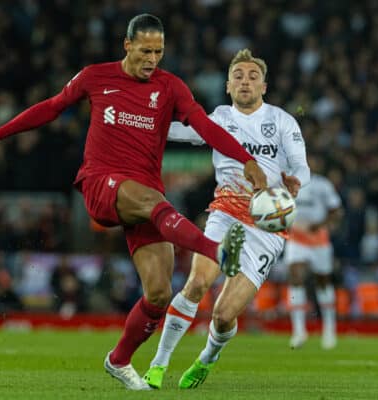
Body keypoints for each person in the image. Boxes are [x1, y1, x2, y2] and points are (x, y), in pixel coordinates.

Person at [0, 14, 268, 390]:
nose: (152, 59)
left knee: (158, 293)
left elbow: (206, 127)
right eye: (145, 51)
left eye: (158, 52)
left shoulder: (171, 87)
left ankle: (119, 360)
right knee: (151, 199)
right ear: (127, 45)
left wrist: (247, 160)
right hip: (101, 183)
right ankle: (216, 251)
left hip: (144, 197)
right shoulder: (96, 77)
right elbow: (51, 107)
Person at [143, 48, 310, 389]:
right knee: (196, 283)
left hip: (267, 225)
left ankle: (208, 357)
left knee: (223, 316)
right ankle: (158, 365)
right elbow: (178, 132)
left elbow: (302, 167)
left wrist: (296, 182)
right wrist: (137, 118)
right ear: (228, 86)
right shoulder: (219, 118)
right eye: (238, 76)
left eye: (252, 77)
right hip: (225, 212)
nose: (245, 81)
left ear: (264, 86)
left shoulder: (282, 121)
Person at [284, 155, 342, 350]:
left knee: (323, 281)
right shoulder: (290, 183)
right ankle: (299, 331)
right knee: (295, 277)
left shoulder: (323, 185)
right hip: (296, 238)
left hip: (318, 240)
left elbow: (336, 210)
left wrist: (321, 224)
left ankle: (329, 329)